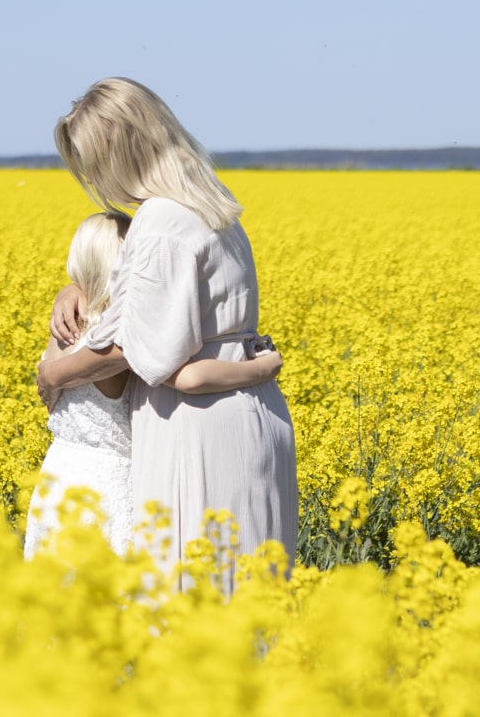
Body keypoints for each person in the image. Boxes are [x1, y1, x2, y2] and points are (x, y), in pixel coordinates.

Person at [36, 77, 298, 583]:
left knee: (194, 601)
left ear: (121, 150)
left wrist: (55, 375)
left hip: (199, 424)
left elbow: (138, 350)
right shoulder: (213, 203)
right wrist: (77, 288)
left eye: (94, 163)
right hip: (251, 409)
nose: (95, 179)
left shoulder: (159, 220)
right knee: (250, 597)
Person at [25, 210, 290, 561]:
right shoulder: (122, 338)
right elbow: (187, 376)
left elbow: (51, 398)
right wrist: (260, 370)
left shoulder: (62, 328)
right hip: (106, 486)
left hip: (59, 475)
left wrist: (70, 288)